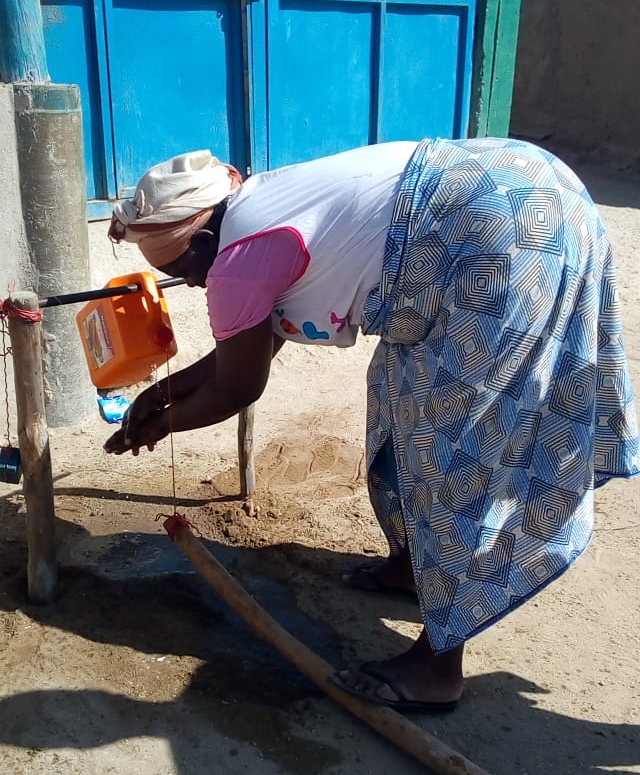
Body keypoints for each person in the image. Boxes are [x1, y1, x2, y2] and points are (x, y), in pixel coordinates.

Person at [104, 139, 639, 713]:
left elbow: (239, 385)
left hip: (497, 235)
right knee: (397, 395)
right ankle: (415, 566)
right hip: (518, 185)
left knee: (457, 445)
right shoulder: (259, 206)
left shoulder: (238, 260)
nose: (197, 284)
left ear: (205, 237)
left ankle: (438, 664)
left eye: (188, 268)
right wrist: (160, 395)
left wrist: (158, 427)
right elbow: (248, 349)